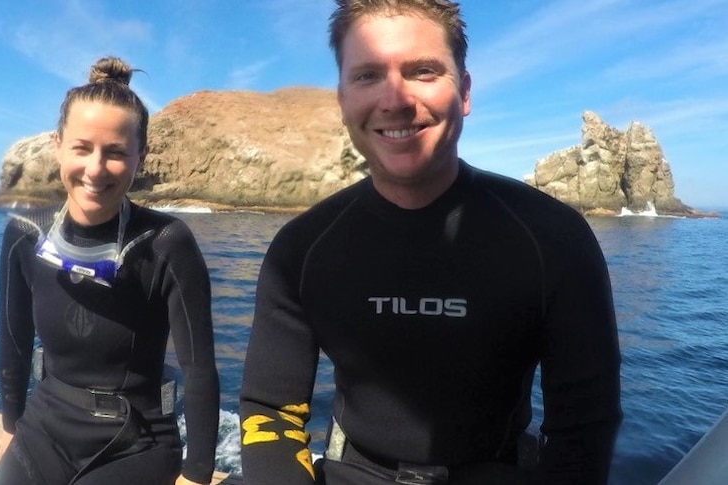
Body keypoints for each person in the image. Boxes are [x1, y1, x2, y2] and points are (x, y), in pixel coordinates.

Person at [238, 1, 622, 484]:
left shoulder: (553, 238)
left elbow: (583, 427)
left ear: (463, 92)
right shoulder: (301, 249)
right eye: (368, 76)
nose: (395, 99)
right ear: (342, 98)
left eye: (422, 71)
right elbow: (269, 409)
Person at [0, 56, 220, 485]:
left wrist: (197, 475)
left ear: (140, 156)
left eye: (115, 152)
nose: (95, 169)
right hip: (44, 428)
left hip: (137, 438)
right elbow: (14, 341)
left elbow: (200, 368)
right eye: (82, 148)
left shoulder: (168, 242)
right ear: (58, 144)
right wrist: (10, 427)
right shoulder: (24, 233)